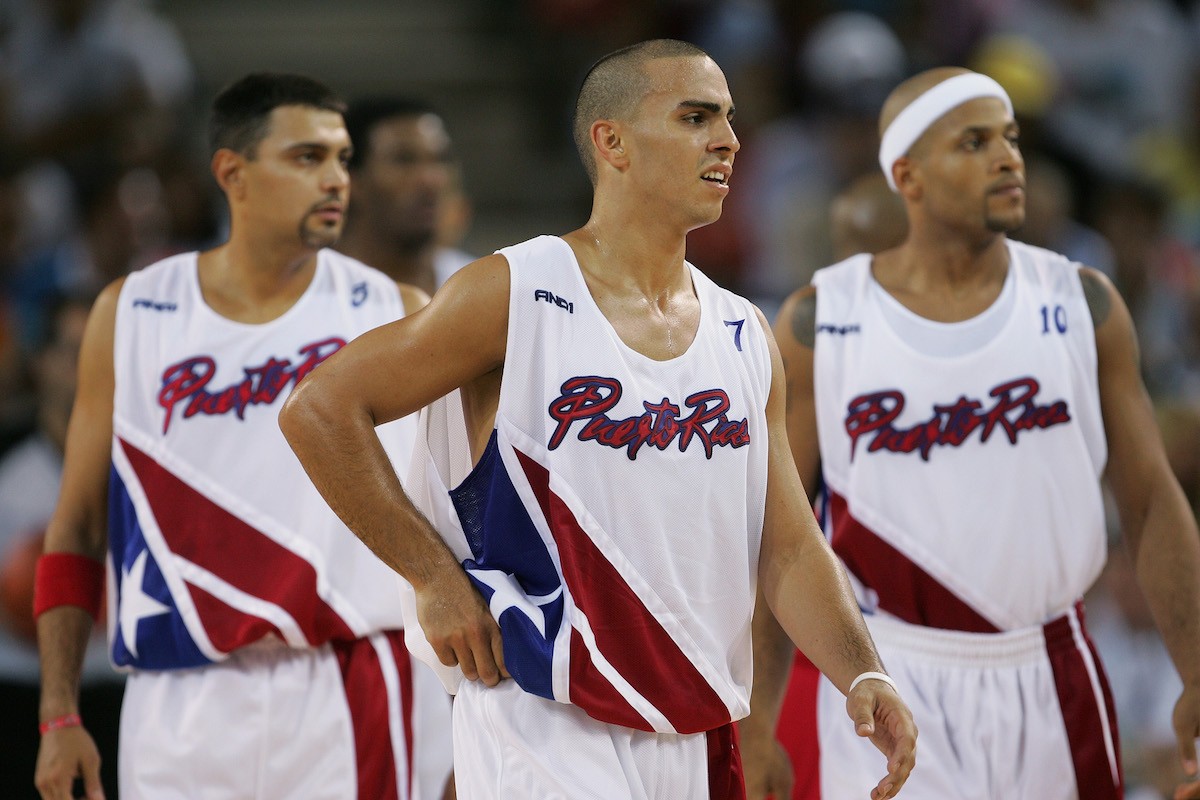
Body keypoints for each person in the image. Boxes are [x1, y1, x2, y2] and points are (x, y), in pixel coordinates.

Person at [278, 39, 917, 800]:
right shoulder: (515, 290)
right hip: (546, 716)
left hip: (694, 726)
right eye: (694, 116)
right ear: (609, 141)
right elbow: (319, 409)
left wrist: (862, 670)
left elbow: (788, 545)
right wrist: (432, 580)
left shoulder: (744, 329)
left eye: (729, 119)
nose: (728, 139)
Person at [741, 66, 1200, 800]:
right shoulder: (819, 322)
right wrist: (756, 723)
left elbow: (1149, 502)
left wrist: (1198, 667)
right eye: (975, 141)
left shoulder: (1082, 302)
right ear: (908, 175)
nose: (1008, 157)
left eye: (1012, 138)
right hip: (887, 678)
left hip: (1054, 669)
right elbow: (777, 542)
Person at [33, 71, 450, 800]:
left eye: (344, 159)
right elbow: (75, 526)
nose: (335, 179)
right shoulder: (131, 312)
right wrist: (58, 712)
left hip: (348, 677)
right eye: (306, 157)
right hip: (175, 693)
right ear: (233, 172)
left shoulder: (394, 310)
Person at [339, 97, 473, 296]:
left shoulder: (483, 289)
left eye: (441, 159)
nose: (431, 179)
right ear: (352, 180)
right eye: (404, 160)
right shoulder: (305, 293)